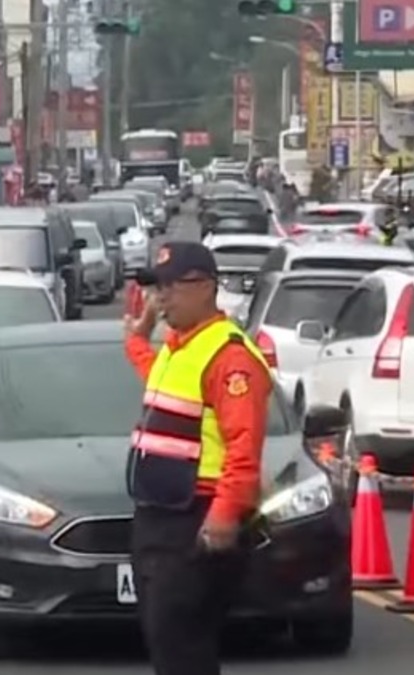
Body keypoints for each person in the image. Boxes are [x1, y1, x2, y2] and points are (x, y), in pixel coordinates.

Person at [122, 241, 272, 675]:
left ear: (206, 287)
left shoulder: (229, 356)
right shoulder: (180, 347)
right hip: (160, 515)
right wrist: (135, 340)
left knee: (182, 646)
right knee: (165, 638)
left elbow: (244, 444)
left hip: (197, 518)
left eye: (172, 286)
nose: (161, 297)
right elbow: (160, 381)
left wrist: (225, 514)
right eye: (157, 287)